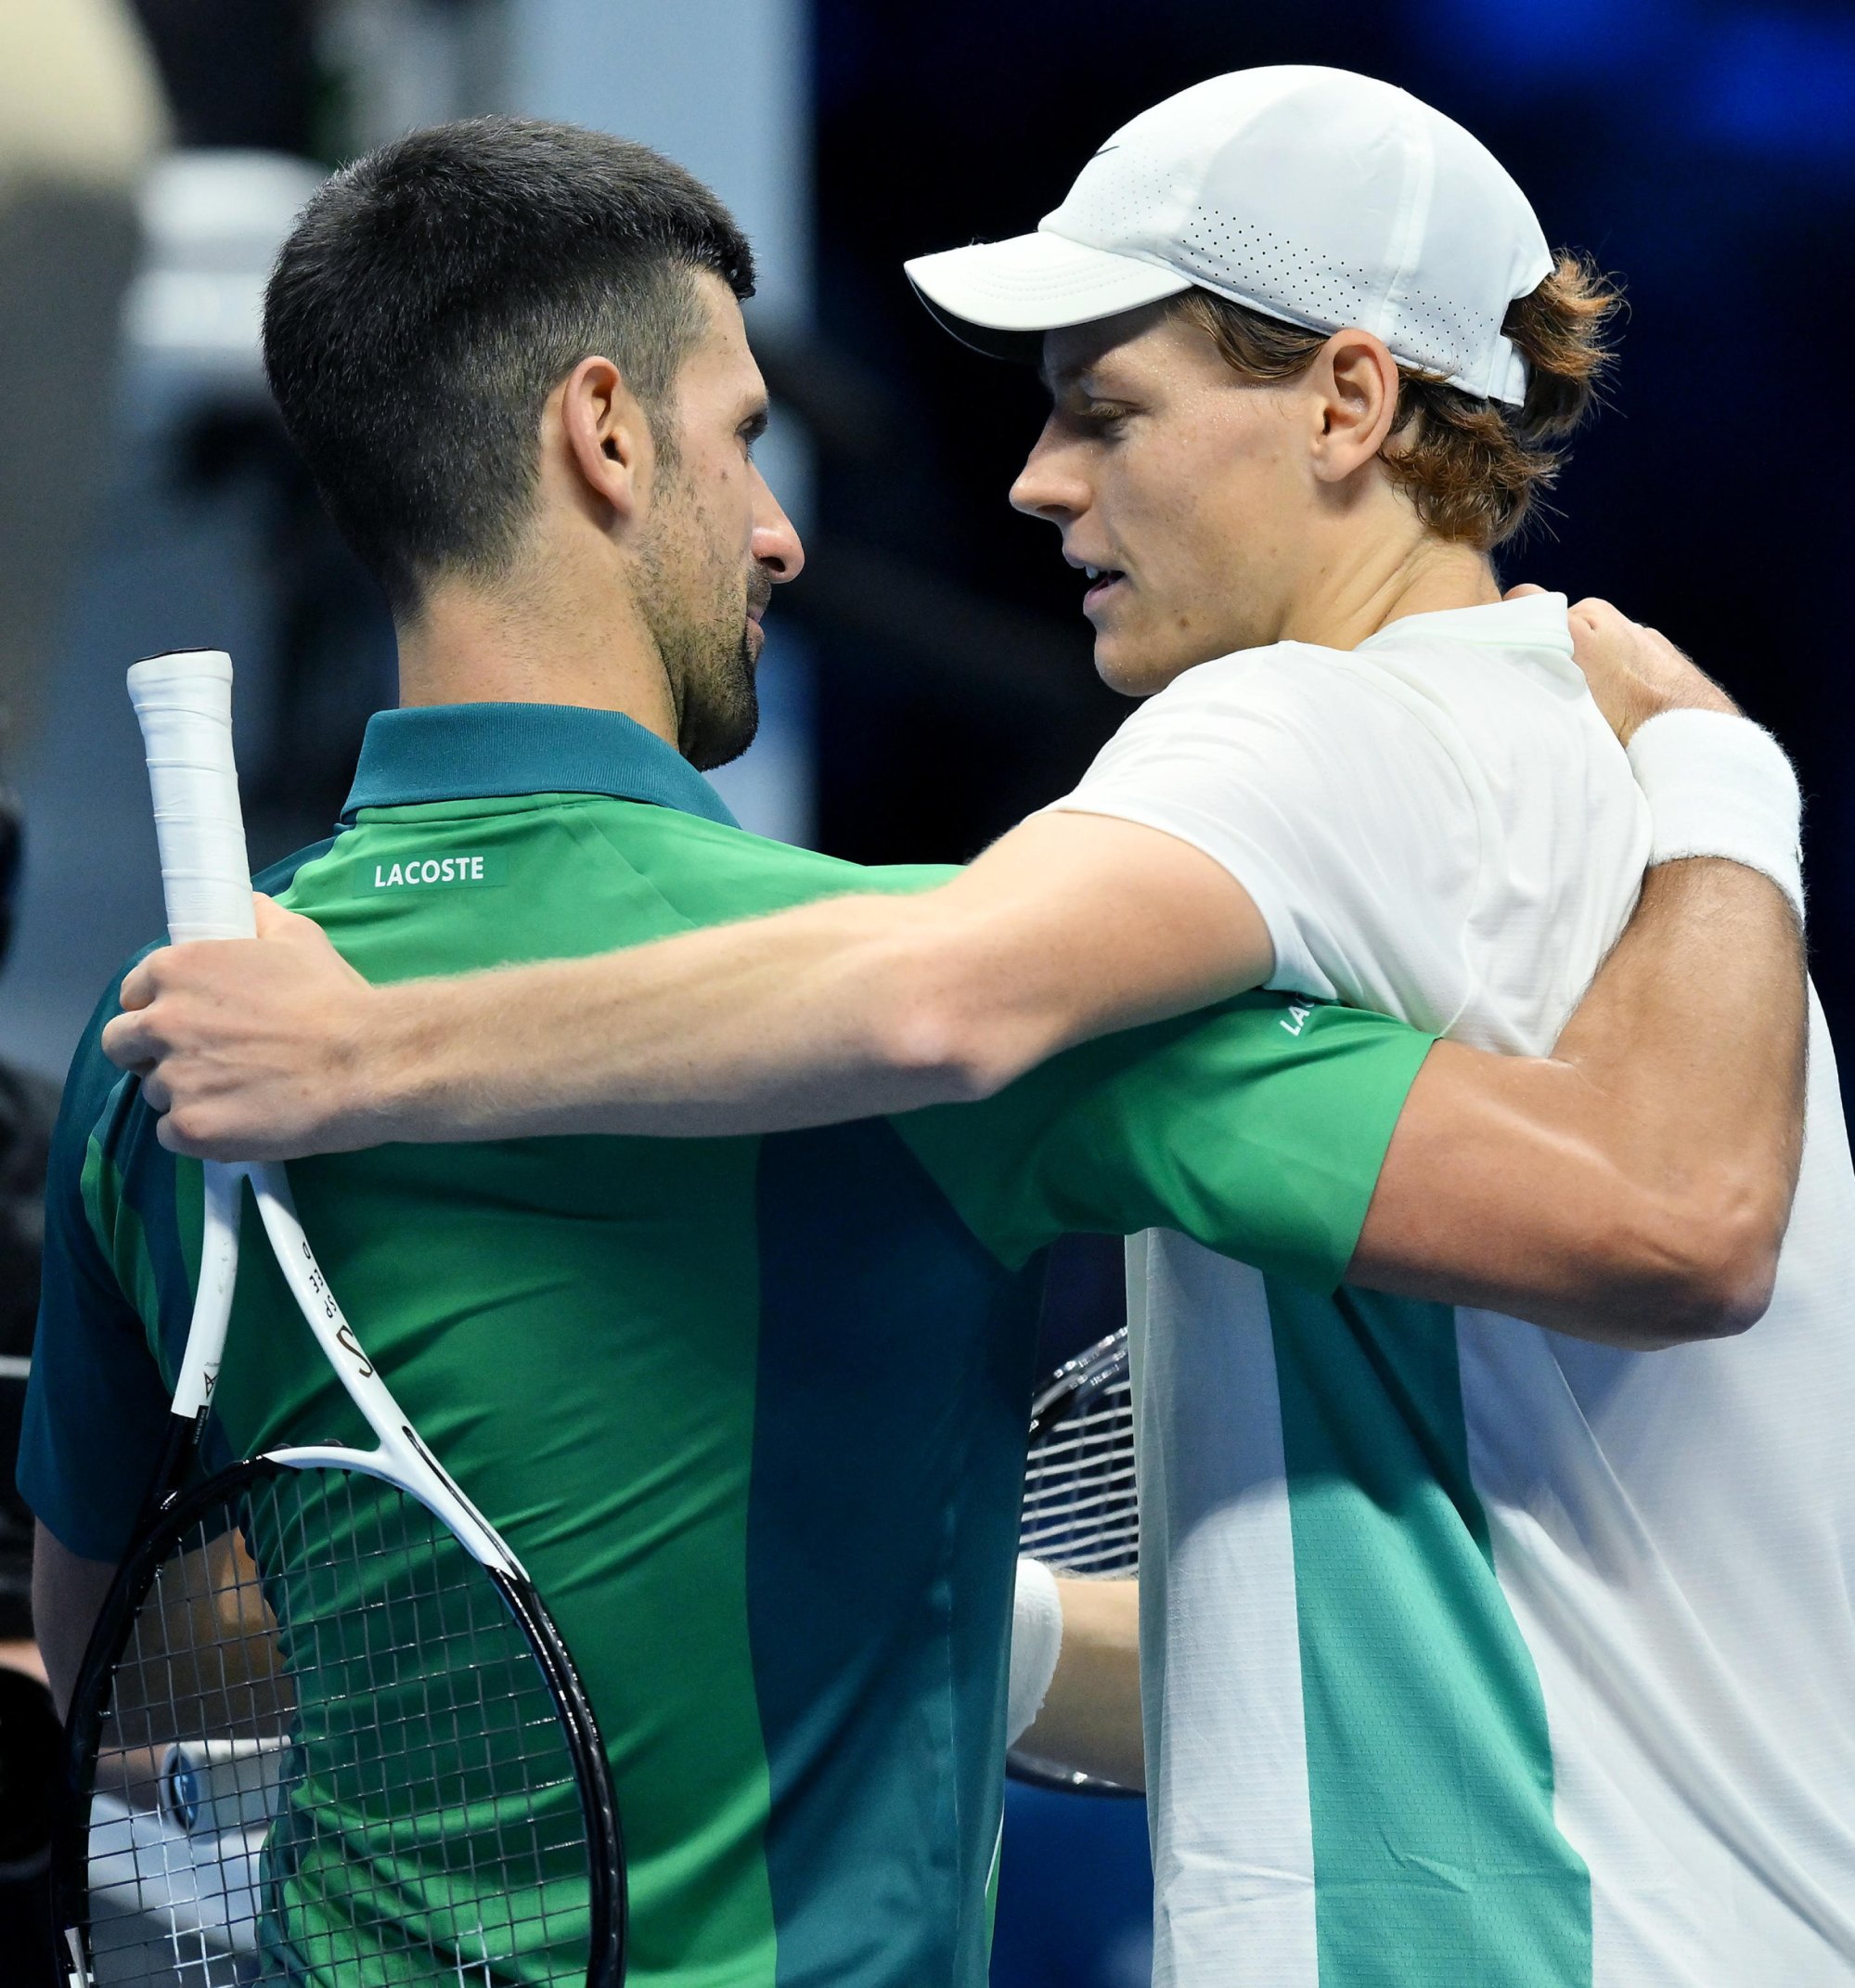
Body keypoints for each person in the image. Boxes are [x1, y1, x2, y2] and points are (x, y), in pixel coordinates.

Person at [90, 90, 1823, 1987]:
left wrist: (361, 1055)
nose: (1028, 480)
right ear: (598, 433)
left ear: (1347, 405)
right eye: (746, 442)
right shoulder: (1599, 805)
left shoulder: (169, 1047)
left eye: (1107, 408)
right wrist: (1724, 785)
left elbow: (123, 1645)